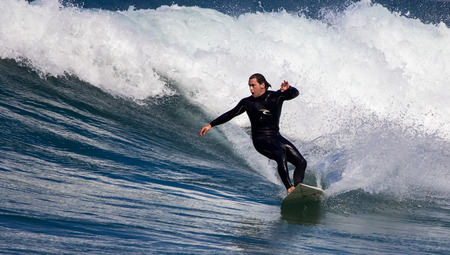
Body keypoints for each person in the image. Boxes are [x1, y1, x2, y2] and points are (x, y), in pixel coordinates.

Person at [200, 73, 307, 194]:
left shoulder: (276, 96)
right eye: (249, 86)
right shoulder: (247, 103)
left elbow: (295, 94)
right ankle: (289, 188)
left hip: (276, 137)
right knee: (280, 153)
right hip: (260, 140)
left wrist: (289, 89)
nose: (250, 89)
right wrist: (211, 125)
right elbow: (230, 114)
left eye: (253, 85)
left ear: (262, 85)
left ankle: (298, 190)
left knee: (301, 162)